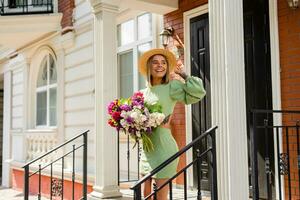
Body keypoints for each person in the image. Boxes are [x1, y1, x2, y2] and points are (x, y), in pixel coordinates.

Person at [138, 48, 206, 200]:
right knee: (145, 195)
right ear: (149, 67)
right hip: (147, 149)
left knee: (160, 196)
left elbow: (198, 92)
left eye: (163, 63)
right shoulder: (142, 93)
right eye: (155, 62)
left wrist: (183, 74)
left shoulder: (172, 87)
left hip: (164, 147)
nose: (160, 65)